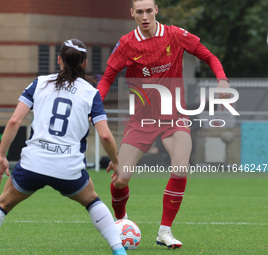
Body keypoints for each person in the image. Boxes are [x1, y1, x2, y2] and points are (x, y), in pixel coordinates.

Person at [0, 39, 127, 255]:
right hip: (68, 168)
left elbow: (14, 121)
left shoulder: (39, 83)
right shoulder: (91, 93)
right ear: (85, 63)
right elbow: (105, 135)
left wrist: (1, 155)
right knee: (92, 201)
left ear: (59, 59)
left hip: (34, 163)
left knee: (2, 204)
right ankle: (119, 251)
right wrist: (115, 161)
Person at [98, 0, 232, 249]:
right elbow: (107, 78)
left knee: (180, 168)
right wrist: (95, 103)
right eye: (140, 12)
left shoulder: (175, 35)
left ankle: (165, 231)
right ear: (132, 14)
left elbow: (209, 56)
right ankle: (121, 222)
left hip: (174, 118)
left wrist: (222, 80)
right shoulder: (127, 43)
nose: (145, 16)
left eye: (149, 11)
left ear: (156, 10)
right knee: (121, 178)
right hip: (142, 121)